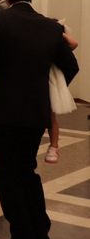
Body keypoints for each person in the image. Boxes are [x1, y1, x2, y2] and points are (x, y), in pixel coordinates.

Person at [0, 0, 79, 239]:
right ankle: (40, 235)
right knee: (26, 171)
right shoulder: (50, 26)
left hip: (4, 112)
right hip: (36, 113)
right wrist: (44, 90)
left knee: (7, 176)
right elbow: (71, 66)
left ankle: (23, 238)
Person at [45, 27, 78, 164]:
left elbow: (74, 44)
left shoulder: (56, 31)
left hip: (52, 76)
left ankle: (54, 146)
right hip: (45, 74)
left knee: (51, 116)